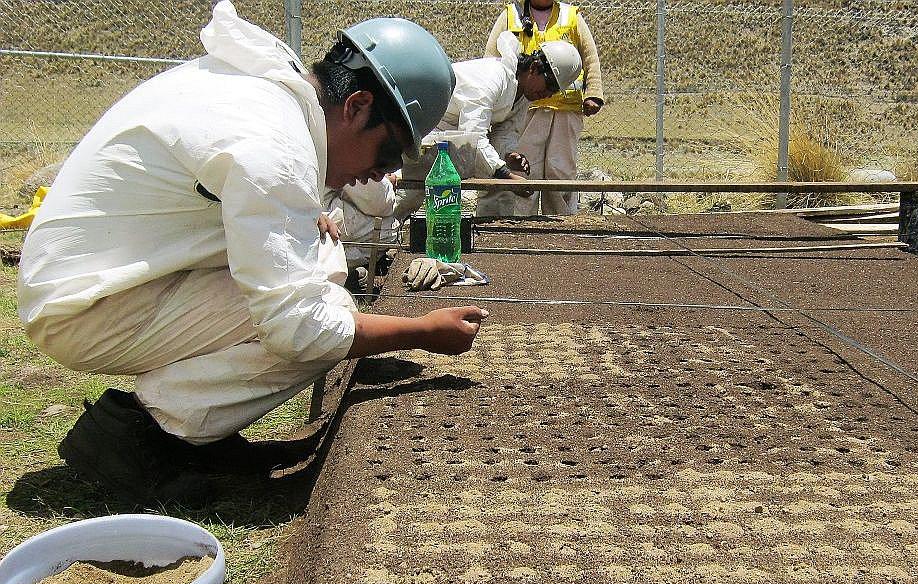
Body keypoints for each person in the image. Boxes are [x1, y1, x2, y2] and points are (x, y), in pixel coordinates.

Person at [16, 1, 488, 506]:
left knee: (323, 264)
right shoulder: (273, 142)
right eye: (389, 152)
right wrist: (423, 331)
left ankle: (199, 434)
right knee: (322, 316)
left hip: (95, 275)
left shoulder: (271, 98)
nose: (382, 173)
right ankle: (144, 439)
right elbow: (301, 328)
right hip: (81, 305)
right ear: (356, 105)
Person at [391, 33, 582, 220]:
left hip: (447, 135)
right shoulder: (490, 79)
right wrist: (506, 175)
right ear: (534, 68)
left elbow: (505, 133)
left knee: (420, 193)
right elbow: (473, 135)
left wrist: (509, 156)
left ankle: (494, 231)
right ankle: (376, 240)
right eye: (549, 85)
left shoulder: (522, 93)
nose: (548, 94)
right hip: (424, 126)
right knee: (408, 193)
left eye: (554, 91)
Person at [485, 0, 604, 215]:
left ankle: (562, 219)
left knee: (561, 169)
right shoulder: (512, 15)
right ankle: (522, 219)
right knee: (524, 166)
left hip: (564, 110)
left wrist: (594, 92)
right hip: (524, 109)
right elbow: (492, 57)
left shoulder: (571, 16)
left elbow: (590, 57)